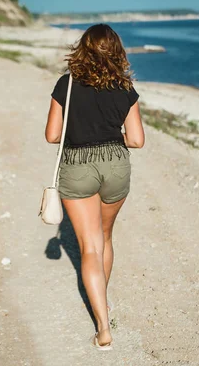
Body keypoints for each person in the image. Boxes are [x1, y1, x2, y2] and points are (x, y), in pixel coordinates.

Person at [45, 24, 145, 350]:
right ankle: (104, 298)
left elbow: (51, 135)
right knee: (105, 238)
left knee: (89, 247)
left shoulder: (67, 84)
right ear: (116, 50)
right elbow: (137, 140)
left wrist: (78, 128)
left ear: (82, 49)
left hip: (77, 166)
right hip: (116, 164)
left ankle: (103, 327)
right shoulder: (124, 87)